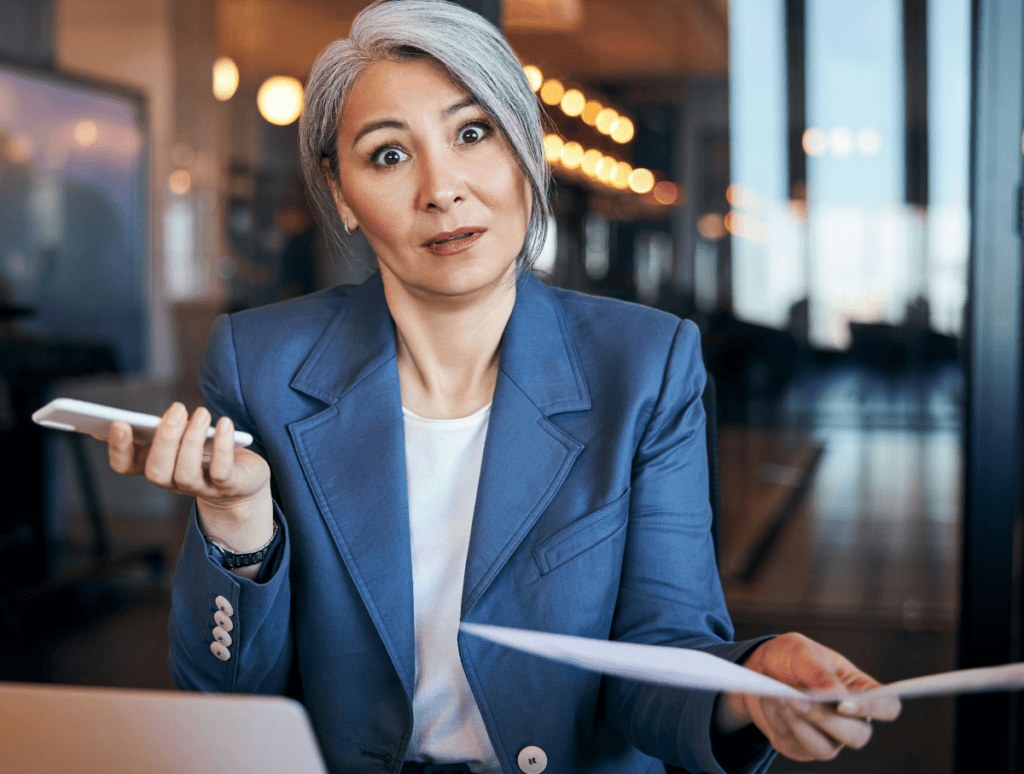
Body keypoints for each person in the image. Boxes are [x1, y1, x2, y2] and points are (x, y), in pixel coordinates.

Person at [102, 2, 900, 772]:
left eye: (473, 133)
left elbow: (659, 653)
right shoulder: (261, 364)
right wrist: (238, 524)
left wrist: (751, 684)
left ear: (525, 150)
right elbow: (227, 698)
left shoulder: (645, 365)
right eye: (388, 153)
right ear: (342, 194)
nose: (442, 188)